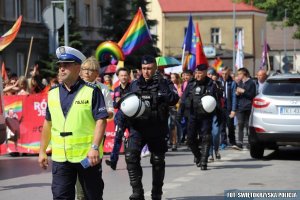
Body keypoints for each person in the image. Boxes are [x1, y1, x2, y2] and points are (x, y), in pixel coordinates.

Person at [38, 46, 108, 200]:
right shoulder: (52, 93)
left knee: (92, 196)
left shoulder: (91, 91)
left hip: (87, 158)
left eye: (66, 65)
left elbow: (101, 121)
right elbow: (48, 123)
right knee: (61, 196)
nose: (62, 69)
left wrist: (95, 147)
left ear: (78, 67)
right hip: (61, 158)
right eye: (60, 66)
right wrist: (42, 150)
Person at [123, 55, 179, 200]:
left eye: (149, 68)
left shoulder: (165, 83)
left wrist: (162, 86)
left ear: (154, 68)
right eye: (144, 69)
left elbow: (173, 100)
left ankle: (157, 192)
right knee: (131, 156)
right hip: (138, 128)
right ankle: (137, 192)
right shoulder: (134, 84)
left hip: (157, 128)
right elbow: (125, 104)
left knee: (158, 161)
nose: (146, 71)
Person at [177, 64, 218, 170]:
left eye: (200, 73)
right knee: (190, 139)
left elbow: (215, 102)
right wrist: (179, 114)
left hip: (205, 116)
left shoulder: (211, 84)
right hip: (192, 115)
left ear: (205, 73)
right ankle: (199, 156)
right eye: (196, 73)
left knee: (206, 138)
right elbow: (183, 100)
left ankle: (204, 161)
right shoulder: (191, 84)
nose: (198, 75)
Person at [105, 67, 131, 170]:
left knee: (133, 140)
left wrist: (123, 99)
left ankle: (132, 161)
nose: (123, 77)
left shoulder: (133, 87)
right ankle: (113, 161)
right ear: (118, 77)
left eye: (125, 75)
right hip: (120, 117)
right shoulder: (116, 89)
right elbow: (115, 105)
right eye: (121, 75)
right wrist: (120, 101)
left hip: (132, 118)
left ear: (128, 76)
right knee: (117, 139)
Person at [235, 67, 256, 149]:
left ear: (244, 74)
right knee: (240, 124)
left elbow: (252, 95)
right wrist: (237, 94)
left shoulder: (251, 83)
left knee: (248, 125)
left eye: (239, 74)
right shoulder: (240, 83)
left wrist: (243, 91)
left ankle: (250, 143)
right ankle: (240, 143)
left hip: (248, 107)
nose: (238, 76)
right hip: (241, 107)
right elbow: (238, 95)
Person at [219, 66, 238, 150]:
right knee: (221, 125)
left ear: (229, 73)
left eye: (226, 74)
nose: (224, 75)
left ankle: (232, 141)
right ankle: (223, 141)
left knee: (230, 125)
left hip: (229, 107)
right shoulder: (218, 82)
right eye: (223, 74)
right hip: (221, 107)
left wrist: (234, 110)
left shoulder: (233, 83)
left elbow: (234, 97)